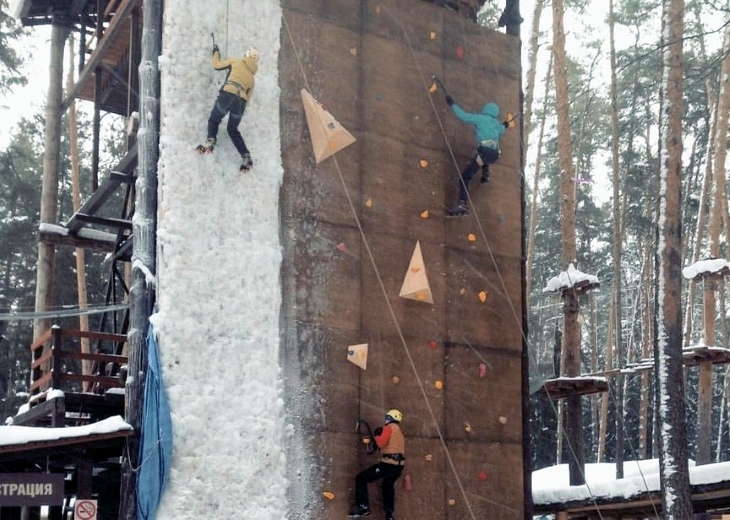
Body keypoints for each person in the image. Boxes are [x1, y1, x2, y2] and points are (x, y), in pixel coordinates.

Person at [197, 44, 259, 172]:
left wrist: (216, 52)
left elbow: (216, 65)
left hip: (228, 95)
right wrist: (239, 109)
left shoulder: (235, 62)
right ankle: (246, 156)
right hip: (241, 103)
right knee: (233, 129)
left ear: (246, 55)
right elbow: (248, 98)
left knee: (214, 120)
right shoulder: (252, 79)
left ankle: (210, 142)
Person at [445, 93, 509, 216]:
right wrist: (505, 125)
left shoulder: (480, 118)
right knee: (484, 159)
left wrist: (452, 104)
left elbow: (463, 116)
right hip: (494, 154)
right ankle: (485, 175)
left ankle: (462, 204)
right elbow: (501, 130)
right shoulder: (496, 124)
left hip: (484, 152)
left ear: (485, 110)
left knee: (465, 177)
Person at [349, 409, 405, 520]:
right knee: (387, 486)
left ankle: (363, 507)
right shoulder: (399, 433)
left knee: (361, 478)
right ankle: (389, 515)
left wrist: (375, 438)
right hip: (398, 467)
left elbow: (380, 442)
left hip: (388, 465)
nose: (386, 419)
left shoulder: (389, 428)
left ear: (390, 418)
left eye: (387, 417)